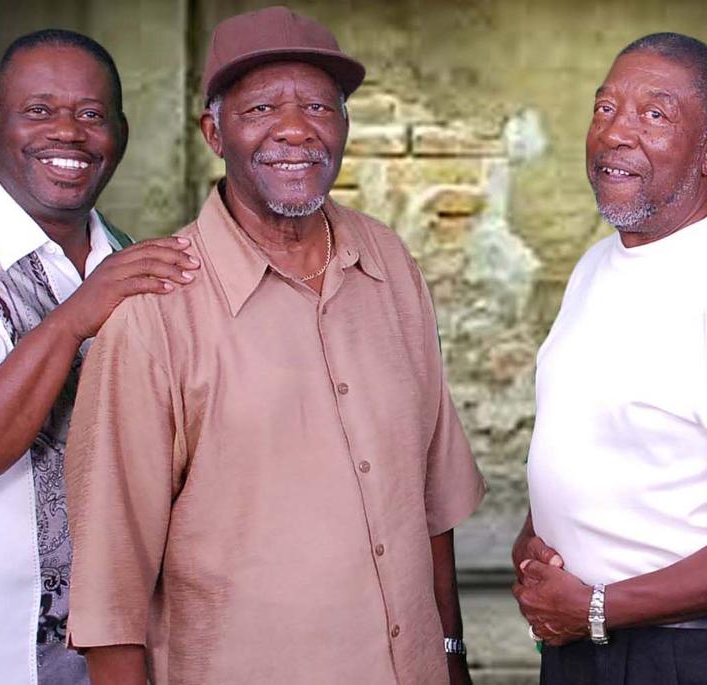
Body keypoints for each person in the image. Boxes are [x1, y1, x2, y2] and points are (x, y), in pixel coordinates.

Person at [64, 7, 485, 684]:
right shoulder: (154, 311)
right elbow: (110, 594)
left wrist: (452, 656)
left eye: (320, 105)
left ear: (344, 127)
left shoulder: (388, 261)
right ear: (213, 131)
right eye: (260, 106)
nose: (295, 129)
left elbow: (429, 501)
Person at [511, 33, 707, 684]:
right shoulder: (598, 264)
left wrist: (596, 607)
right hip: (580, 636)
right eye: (604, 109)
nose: (616, 133)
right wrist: (536, 533)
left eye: (654, 114)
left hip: (686, 654)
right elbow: (585, 426)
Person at [0, 29, 198, 684]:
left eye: (91, 114)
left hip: (127, 657)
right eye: (41, 110)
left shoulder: (140, 264)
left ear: (121, 133)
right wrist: (78, 315)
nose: (70, 134)